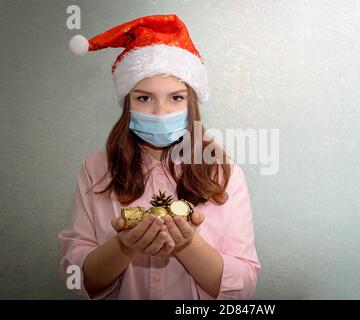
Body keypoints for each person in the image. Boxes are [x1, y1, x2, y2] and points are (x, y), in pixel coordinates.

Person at [59, 14, 260, 300]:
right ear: (127, 102)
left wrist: (187, 244)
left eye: (176, 98)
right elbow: (75, 277)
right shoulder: (96, 168)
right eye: (144, 98)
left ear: (191, 103)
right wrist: (124, 246)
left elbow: (245, 285)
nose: (160, 112)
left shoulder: (223, 173)